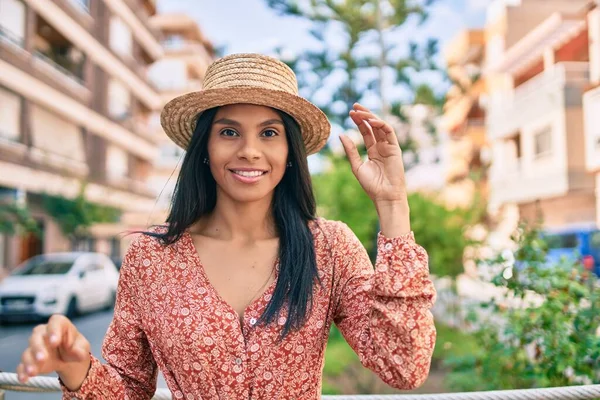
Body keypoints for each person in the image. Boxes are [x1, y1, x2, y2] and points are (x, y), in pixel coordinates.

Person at [17, 53, 436, 399]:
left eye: (269, 133)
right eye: (229, 131)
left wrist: (393, 204)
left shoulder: (329, 247)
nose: (249, 150)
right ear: (205, 147)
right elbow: (129, 389)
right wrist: (77, 368)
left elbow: (404, 365)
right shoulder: (150, 260)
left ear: (290, 151)